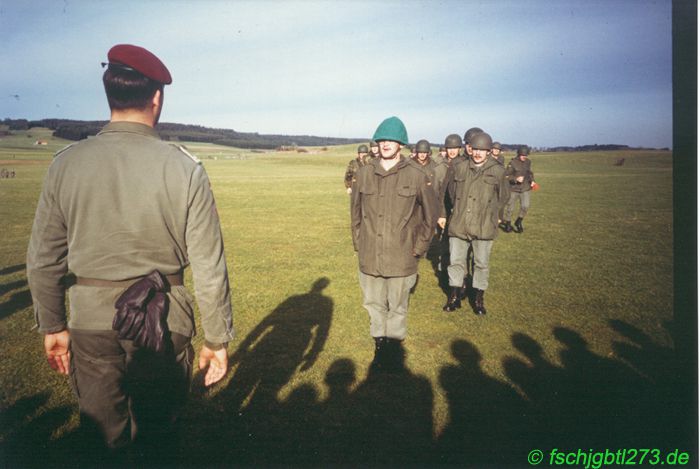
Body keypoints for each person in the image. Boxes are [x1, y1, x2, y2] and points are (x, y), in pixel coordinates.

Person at [26, 44, 234, 461]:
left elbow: (44, 258)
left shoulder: (66, 164)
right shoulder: (185, 167)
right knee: (158, 442)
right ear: (156, 99)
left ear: (111, 98)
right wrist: (216, 337)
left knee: (102, 441)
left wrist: (53, 325)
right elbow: (209, 265)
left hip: (91, 322)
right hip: (164, 321)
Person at [351, 117, 438, 372]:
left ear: (400, 143)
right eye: (382, 139)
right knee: (373, 303)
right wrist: (360, 243)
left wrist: (418, 248)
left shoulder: (417, 175)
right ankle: (379, 343)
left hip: (402, 256)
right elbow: (355, 213)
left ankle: (394, 346)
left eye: (392, 139)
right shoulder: (364, 172)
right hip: (370, 255)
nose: (386, 144)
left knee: (398, 305)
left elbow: (430, 218)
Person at [438, 132, 508, 315]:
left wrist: (491, 214)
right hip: (460, 224)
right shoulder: (459, 167)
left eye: (482, 150)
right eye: (475, 149)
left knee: (481, 263)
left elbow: (504, 197)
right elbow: (451, 193)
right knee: (456, 261)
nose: (477, 153)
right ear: (470, 149)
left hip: (484, 226)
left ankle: (478, 298)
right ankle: (454, 296)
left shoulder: (498, 171)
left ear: (488, 151)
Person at [501, 145, 535, 233]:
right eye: (523, 155)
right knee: (510, 207)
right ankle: (508, 223)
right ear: (519, 154)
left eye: (526, 155)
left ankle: (519, 221)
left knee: (525, 206)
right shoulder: (512, 163)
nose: (525, 157)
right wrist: (516, 179)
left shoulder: (528, 162)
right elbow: (506, 176)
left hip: (525, 188)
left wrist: (532, 181)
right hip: (513, 189)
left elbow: (530, 173)